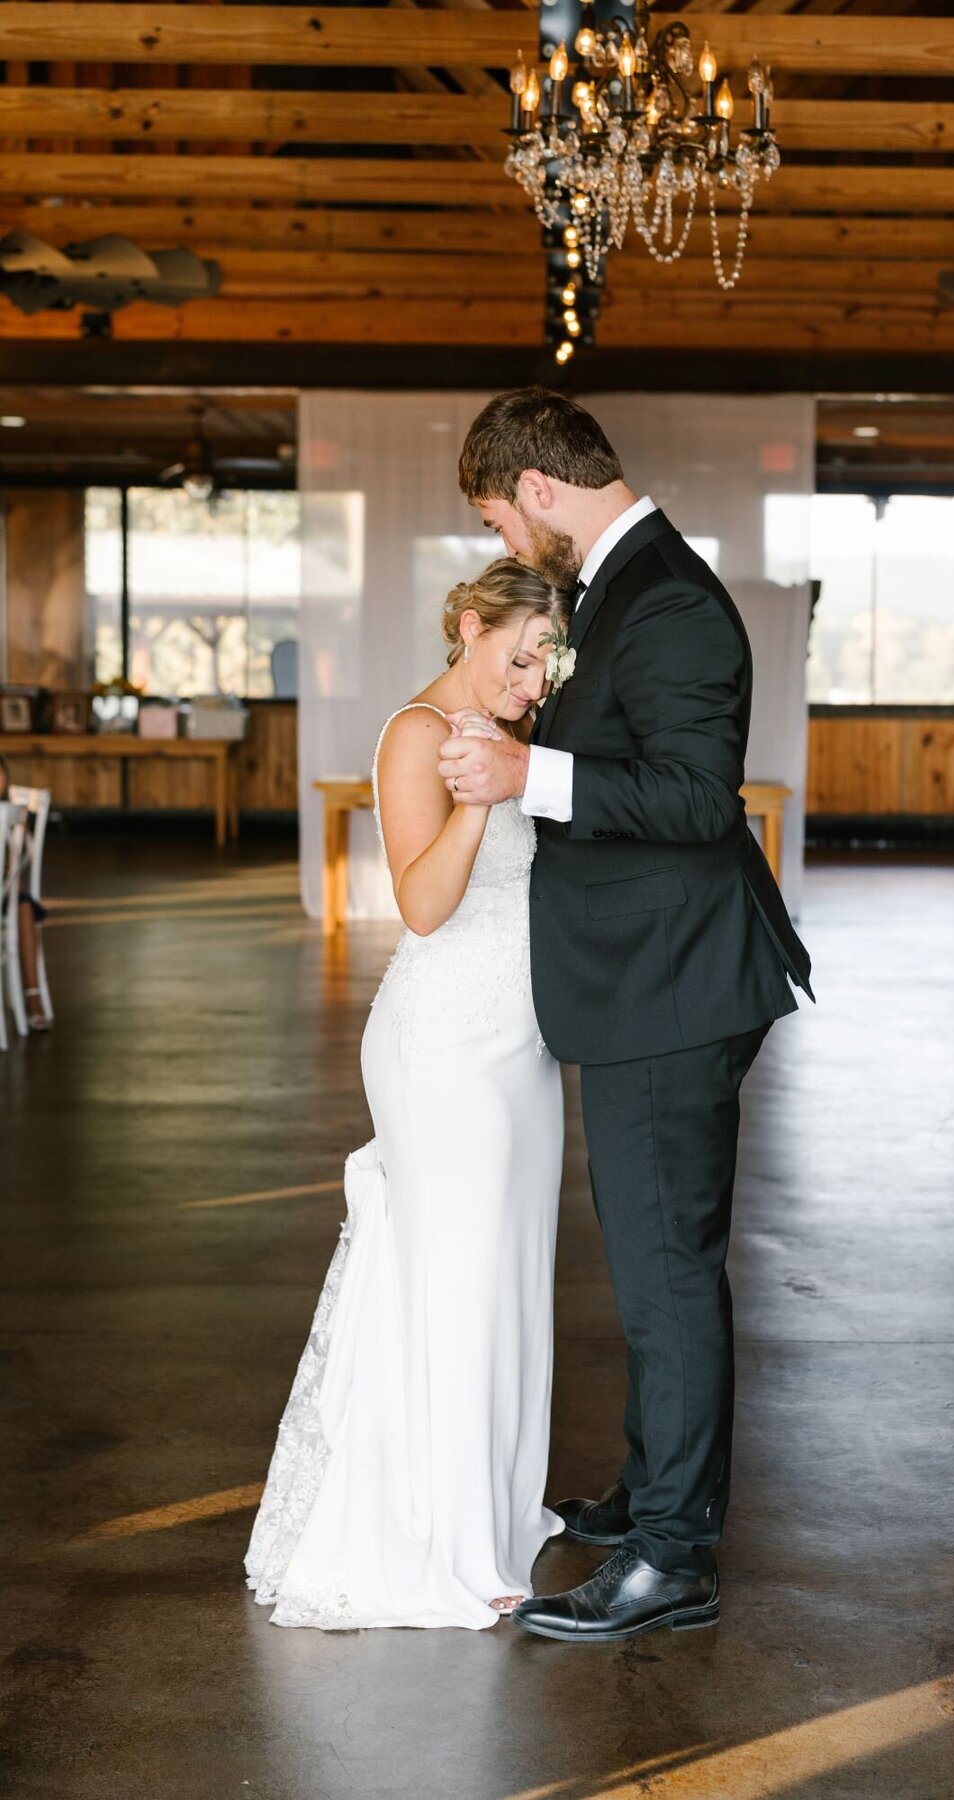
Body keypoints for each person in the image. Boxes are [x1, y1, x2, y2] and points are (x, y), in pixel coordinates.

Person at [440, 387, 813, 1645]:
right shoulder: (615, 586)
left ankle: (675, 1557)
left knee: (665, 1278)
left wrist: (526, 772)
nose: (502, 545)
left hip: (674, 984)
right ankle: (649, 1492)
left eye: (499, 518)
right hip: (653, 973)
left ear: (540, 490)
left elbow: (703, 798)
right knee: (656, 1265)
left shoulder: (667, 599)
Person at [246, 559, 569, 1629]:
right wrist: (480, 801)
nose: (532, 681)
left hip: (519, 1047)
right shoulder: (414, 735)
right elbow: (423, 905)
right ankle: (444, 1538)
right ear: (470, 628)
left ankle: (499, 1507)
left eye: (545, 663)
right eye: (519, 656)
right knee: (456, 1281)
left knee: (511, 1277)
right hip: (440, 1051)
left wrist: (516, 772)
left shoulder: (514, 743)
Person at [0, 753, 50, 1031]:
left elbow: (21, 858)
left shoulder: (12, 813)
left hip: (5, 890)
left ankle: (33, 997)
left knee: (23, 904)